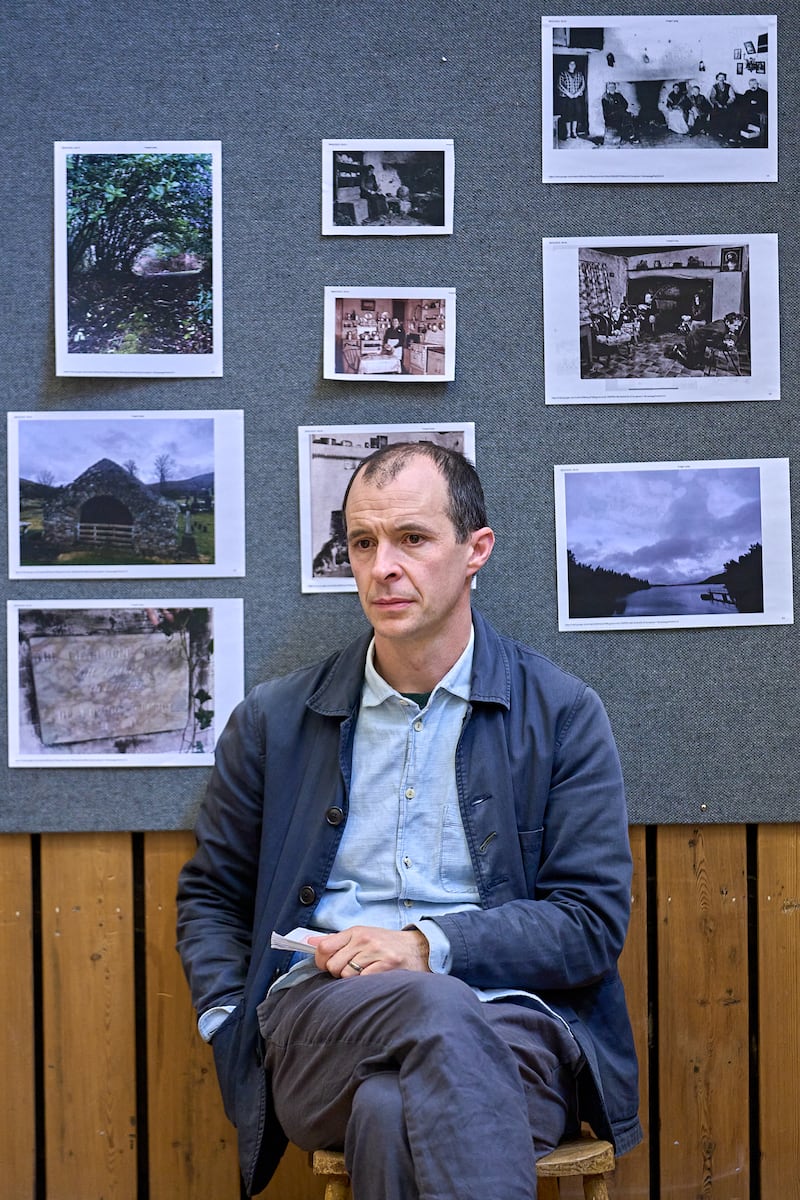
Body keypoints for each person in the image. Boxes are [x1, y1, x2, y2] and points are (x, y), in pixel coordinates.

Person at [176, 443, 643, 1198]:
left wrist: (430, 946)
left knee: (392, 1111)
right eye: (363, 542)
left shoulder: (562, 714)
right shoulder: (274, 720)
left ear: (475, 550)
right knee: (432, 1007)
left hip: (515, 1029)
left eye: (412, 539)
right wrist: (226, 1015)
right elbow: (211, 895)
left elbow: (589, 923)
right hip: (320, 1022)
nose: (382, 566)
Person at [667, 311, 745, 369]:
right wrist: (725, 345)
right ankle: (678, 350)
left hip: (698, 340)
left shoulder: (722, 323)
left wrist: (725, 341)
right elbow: (712, 342)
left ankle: (685, 350)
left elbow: (715, 338)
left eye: (738, 326)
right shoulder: (720, 329)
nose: (737, 328)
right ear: (727, 322)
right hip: (693, 340)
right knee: (692, 366)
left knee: (700, 361)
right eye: (735, 325)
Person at [557, 58, 586, 139]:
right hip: (566, 98)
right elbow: (560, 85)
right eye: (571, 64)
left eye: (574, 64)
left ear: (575, 65)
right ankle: (568, 133)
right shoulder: (563, 73)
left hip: (576, 97)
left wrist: (577, 93)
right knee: (567, 115)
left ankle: (574, 132)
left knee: (576, 114)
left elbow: (583, 85)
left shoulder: (579, 74)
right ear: (568, 65)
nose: (572, 65)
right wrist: (568, 94)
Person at [709, 72, 736, 141]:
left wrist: (727, 104)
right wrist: (718, 104)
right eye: (720, 77)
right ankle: (716, 132)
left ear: (724, 78)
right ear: (717, 78)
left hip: (727, 105)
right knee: (716, 114)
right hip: (717, 105)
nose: (721, 79)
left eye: (723, 77)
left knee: (728, 115)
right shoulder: (714, 87)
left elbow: (732, 97)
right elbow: (712, 97)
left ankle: (726, 134)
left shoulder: (728, 86)